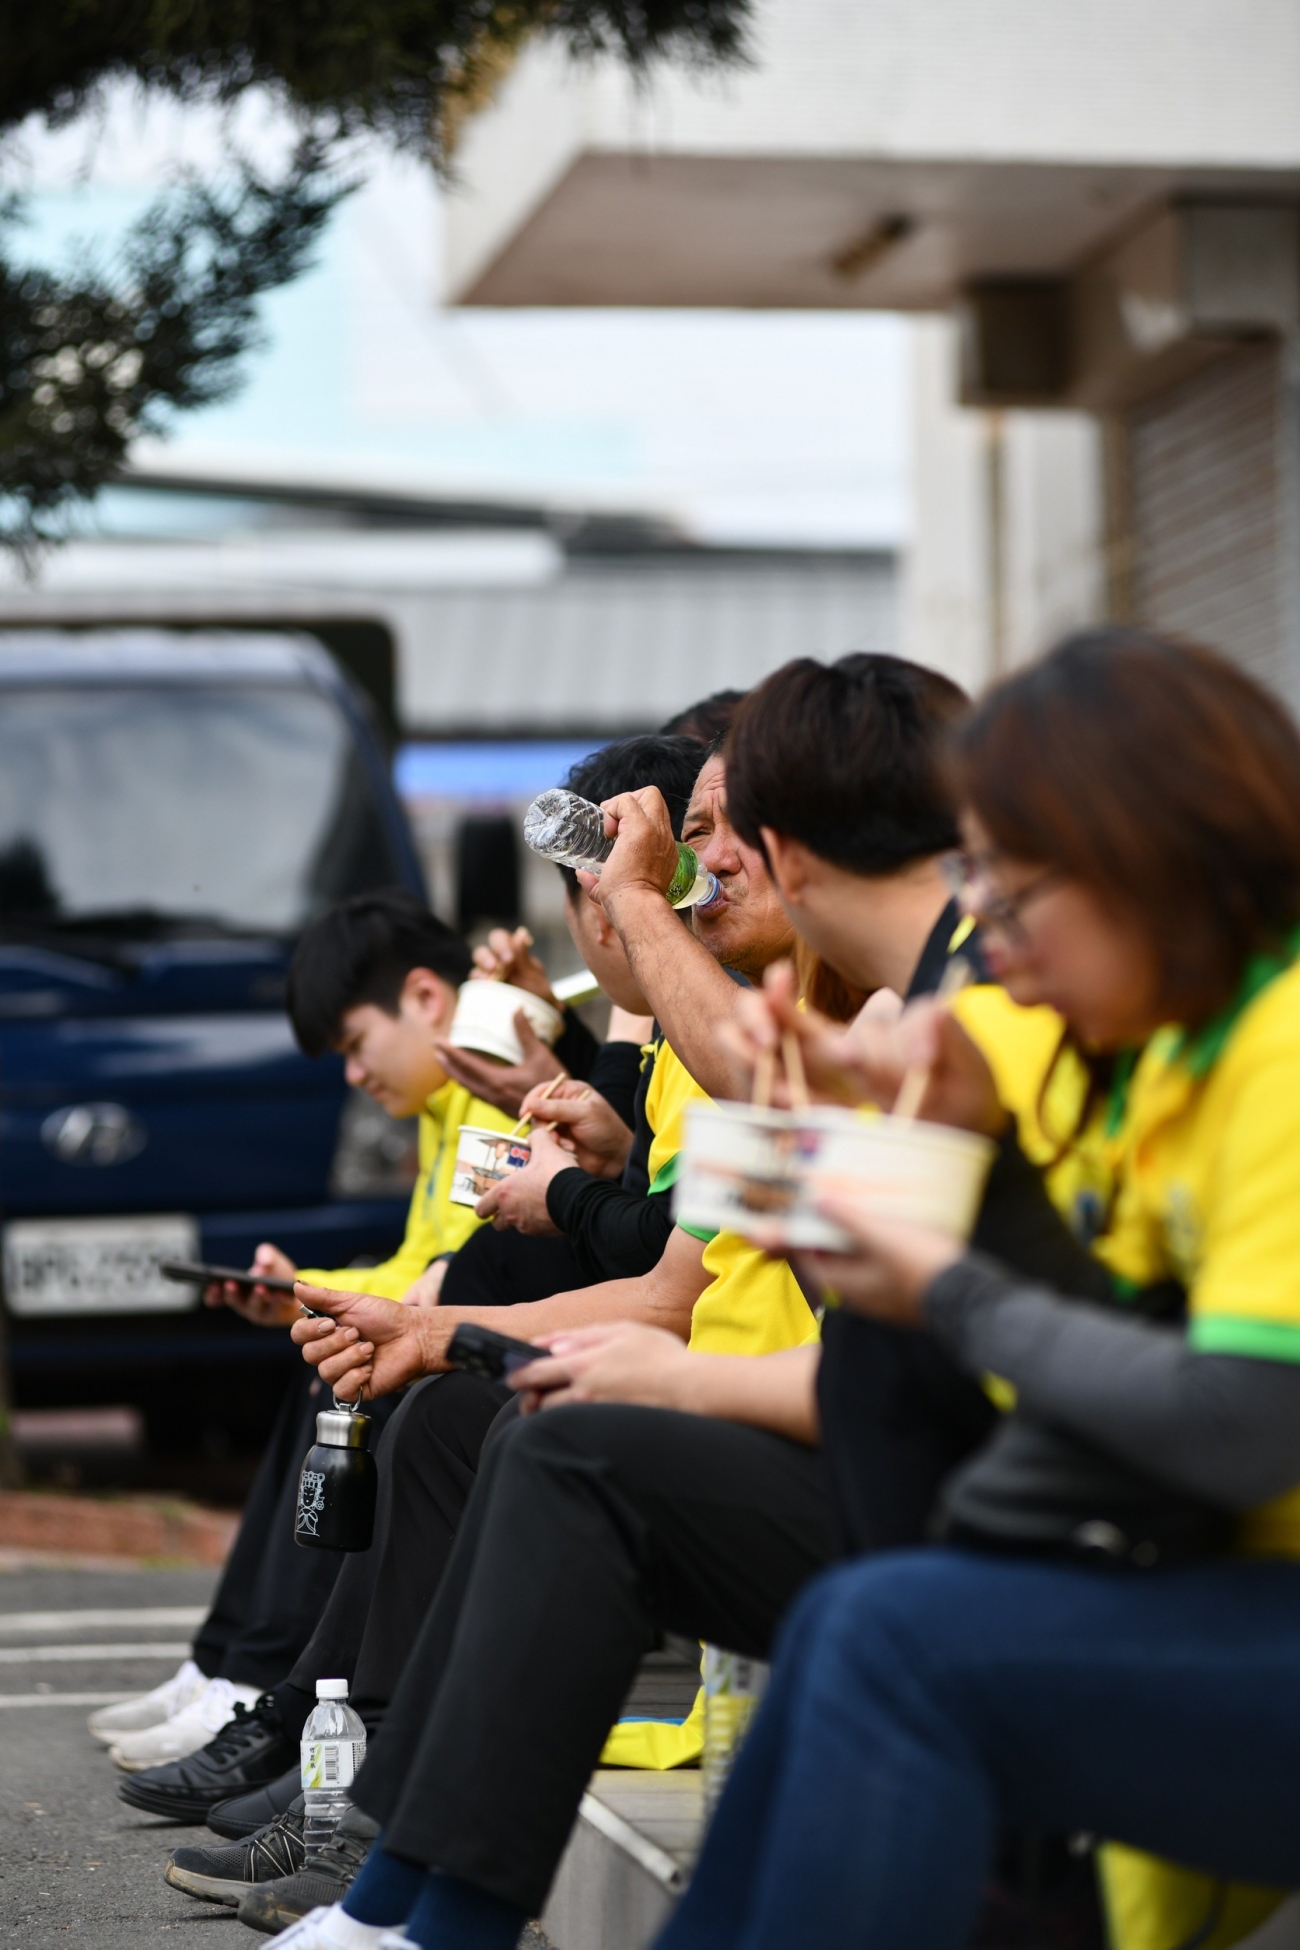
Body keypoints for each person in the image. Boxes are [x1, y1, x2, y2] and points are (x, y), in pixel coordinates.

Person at [251, 652, 1126, 1950]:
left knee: (581, 1456)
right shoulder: (878, 1024)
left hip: (1015, 1523)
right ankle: (398, 1899)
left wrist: (643, 1326)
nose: (689, 868)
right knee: (549, 1435)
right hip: (928, 1475)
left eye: (710, 833)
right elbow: (742, 1290)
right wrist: (452, 1325)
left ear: (789, 843)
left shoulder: (960, 1020)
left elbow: (977, 1358)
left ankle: (411, 1910)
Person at [648, 627, 1300, 1950]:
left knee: (887, 1630)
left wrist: (940, 1273)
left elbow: (1242, 1422)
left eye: (1008, 883)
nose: (990, 931)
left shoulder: (1272, 1049)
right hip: (1198, 1567)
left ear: (1144, 856)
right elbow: (1120, 1332)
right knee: (854, 1617)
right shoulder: (1162, 1046)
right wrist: (959, 1182)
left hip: (1233, 1577)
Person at [102, 894, 516, 1796]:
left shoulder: (494, 1089)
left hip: (503, 1352)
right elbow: (425, 1267)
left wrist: (327, 1298)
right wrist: (305, 1287)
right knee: (327, 1362)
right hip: (478, 1332)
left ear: (427, 999)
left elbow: (454, 1280)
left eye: (357, 1045)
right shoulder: (449, 1105)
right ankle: (230, 1664)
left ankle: (261, 1679)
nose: (355, 1076)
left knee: (347, 1383)